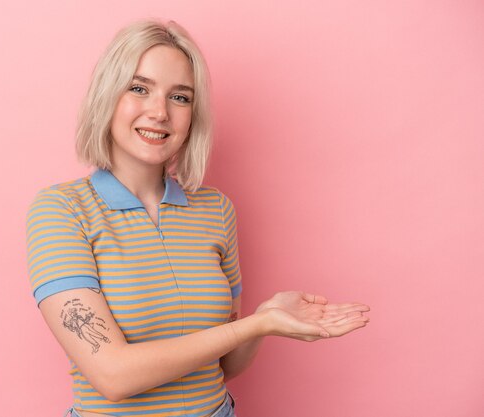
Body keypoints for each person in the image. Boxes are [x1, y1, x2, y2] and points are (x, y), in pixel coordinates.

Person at [26, 20, 370, 417]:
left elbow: (226, 366)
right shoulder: (61, 210)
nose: (160, 112)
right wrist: (256, 326)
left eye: (180, 97)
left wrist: (265, 317)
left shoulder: (216, 210)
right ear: (108, 96)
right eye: (139, 88)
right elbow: (112, 376)